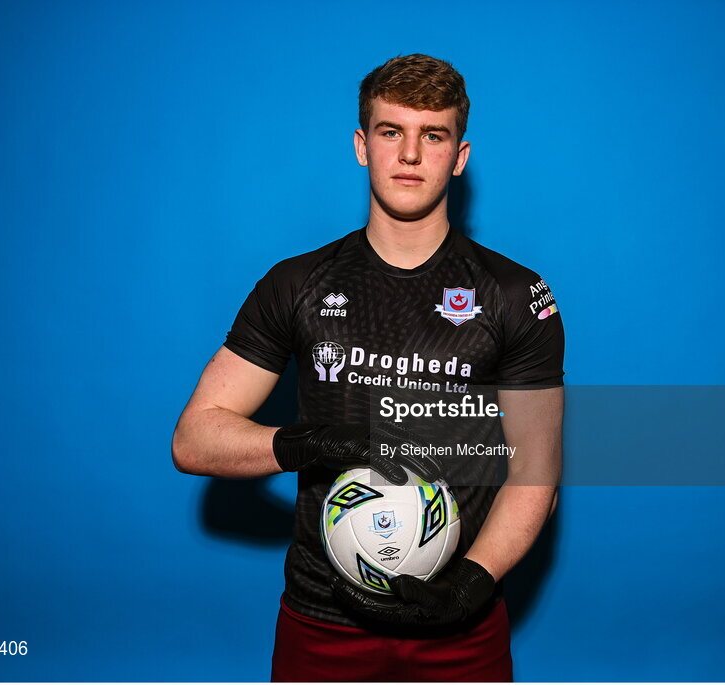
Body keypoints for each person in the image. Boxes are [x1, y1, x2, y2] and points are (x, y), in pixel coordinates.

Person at [171, 54, 564, 682]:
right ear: (362, 145)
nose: (410, 154)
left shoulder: (515, 295)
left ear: (459, 157)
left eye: (432, 135)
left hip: (459, 624)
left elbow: (535, 473)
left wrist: (469, 582)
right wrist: (307, 444)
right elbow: (195, 438)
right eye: (391, 132)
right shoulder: (296, 284)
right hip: (322, 619)